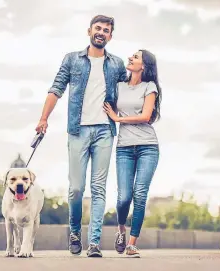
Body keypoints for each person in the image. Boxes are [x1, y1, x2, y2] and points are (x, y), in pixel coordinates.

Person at [36, 15, 127, 257]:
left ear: (110, 36)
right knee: (76, 188)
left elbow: (128, 93)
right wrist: (43, 118)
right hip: (77, 130)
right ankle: (74, 232)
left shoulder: (117, 64)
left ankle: (94, 243)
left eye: (106, 30)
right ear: (89, 31)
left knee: (98, 188)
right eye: (98, 28)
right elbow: (56, 89)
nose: (101, 32)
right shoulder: (72, 59)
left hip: (105, 132)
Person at [103, 49, 162, 258]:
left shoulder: (150, 86)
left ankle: (132, 243)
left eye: (135, 57)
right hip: (124, 148)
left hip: (148, 147)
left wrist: (118, 119)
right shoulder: (119, 87)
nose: (130, 58)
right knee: (124, 197)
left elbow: (146, 116)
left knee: (140, 194)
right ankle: (121, 230)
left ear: (144, 65)